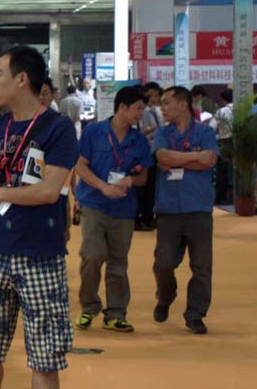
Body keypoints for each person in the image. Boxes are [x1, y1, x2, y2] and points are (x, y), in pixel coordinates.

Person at [0, 46, 78, 389]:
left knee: (46, 357)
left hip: (41, 253)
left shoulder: (58, 129)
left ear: (22, 79)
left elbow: (48, 191)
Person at [73, 86, 153, 333]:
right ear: (122, 107)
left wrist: (131, 180)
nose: (141, 113)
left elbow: (144, 177)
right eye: (138, 108)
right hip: (93, 204)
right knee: (92, 255)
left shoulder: (139, 141)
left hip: (124, 209)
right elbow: (80, 167)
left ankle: (116, 314)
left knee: (118, 263)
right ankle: (89, 306)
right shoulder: (93, 132)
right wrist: (103, 187)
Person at [152, 86, 218, 335]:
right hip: (168, 209)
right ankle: (165, 297)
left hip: (199, 208)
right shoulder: (162, 132)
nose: (162, 107)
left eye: (166, 102)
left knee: (201, 266)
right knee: (164, 264)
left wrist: (177, 159)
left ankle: (195, 314)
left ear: (182, 104)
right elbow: (162, 159)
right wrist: (194, 156)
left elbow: (209, 161)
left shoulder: (205, 132)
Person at [135, 82, 164, 230]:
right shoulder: (144, 113)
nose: (153, 98)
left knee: (151, 188)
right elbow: (140, 133)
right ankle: (143, 217)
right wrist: (152, 132)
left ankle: (148, 216)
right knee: (144, 188)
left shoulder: (155, 112)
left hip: (153, 152)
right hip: (143, 153)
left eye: (156, 95)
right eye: (150, 95)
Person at [213, 89, 234, 205]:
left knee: (222, 171)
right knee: (237, 170)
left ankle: (222, 197)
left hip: (224, 143)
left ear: (223, 100)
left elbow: (212, 127)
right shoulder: (241, 109)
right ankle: (235, 196)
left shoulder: (221, 111)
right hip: (240, 143)